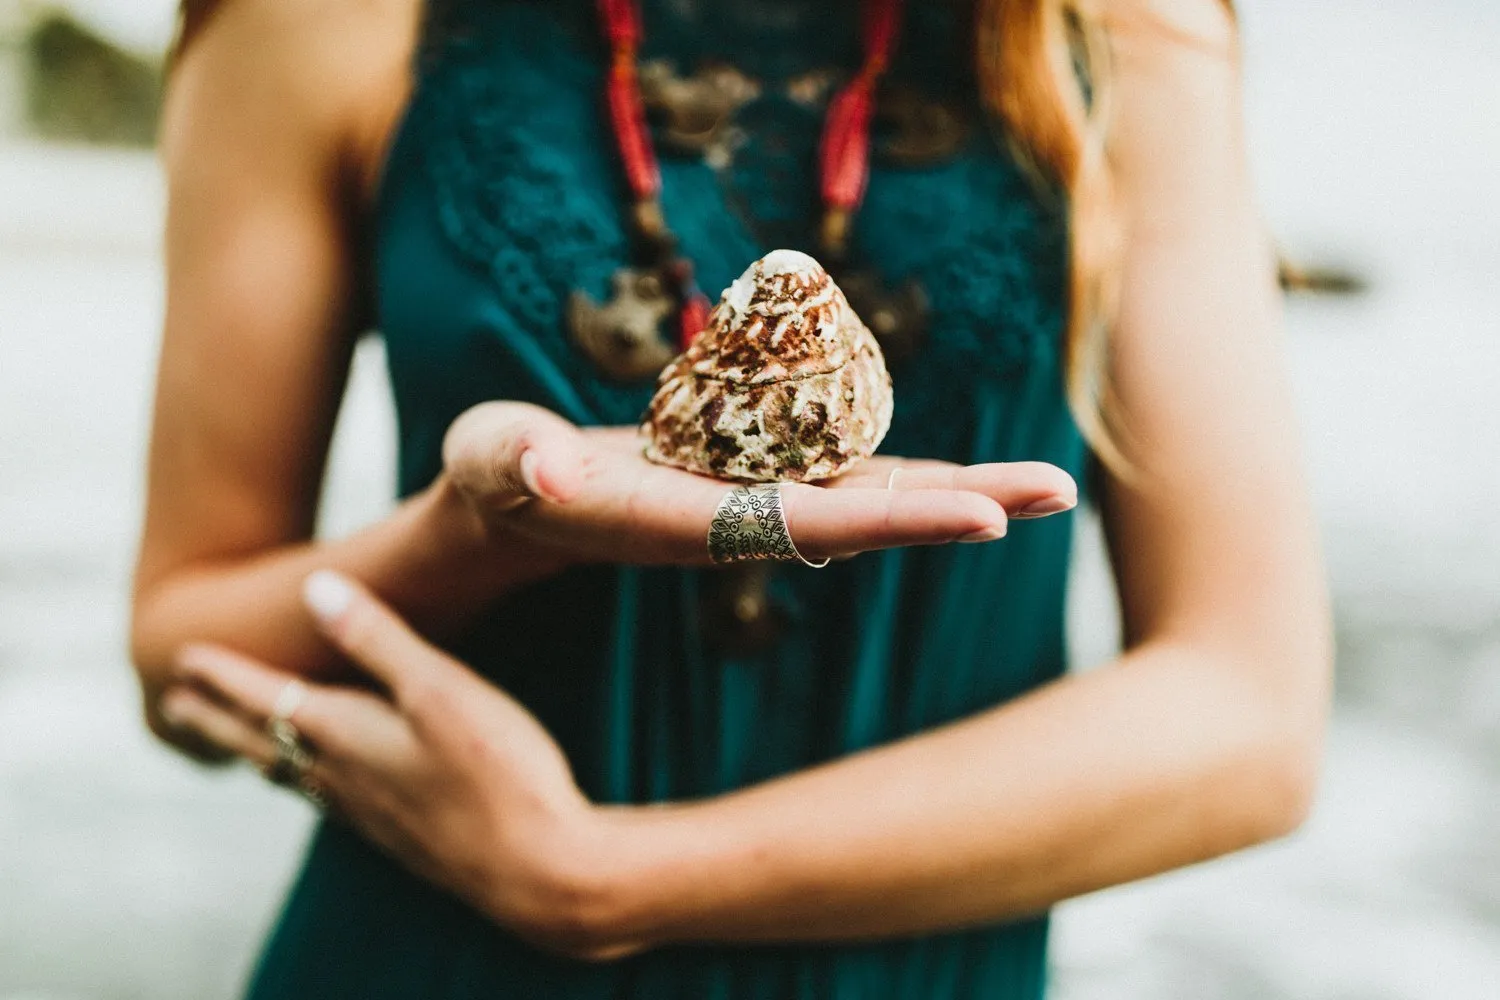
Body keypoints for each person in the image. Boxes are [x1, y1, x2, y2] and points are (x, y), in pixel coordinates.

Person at [130, 0, 1332, 996]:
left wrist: (600, 876)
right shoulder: (321, 24)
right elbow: (181, 651)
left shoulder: (1115, 32)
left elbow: (1251, 721)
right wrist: (473, 530)